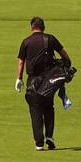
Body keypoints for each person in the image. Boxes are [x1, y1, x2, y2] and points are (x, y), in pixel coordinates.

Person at [16, 16, 71, 151]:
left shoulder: (26, 42)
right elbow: (64, 54)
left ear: (31, 27)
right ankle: (49, 137)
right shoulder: (50, 39)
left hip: (32, 82)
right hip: (49, 82)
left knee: (35, 111)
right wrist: (66, 66)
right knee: (49, 108)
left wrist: (19, 78)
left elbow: (21, 62)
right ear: (43, 27)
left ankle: (39, 143)